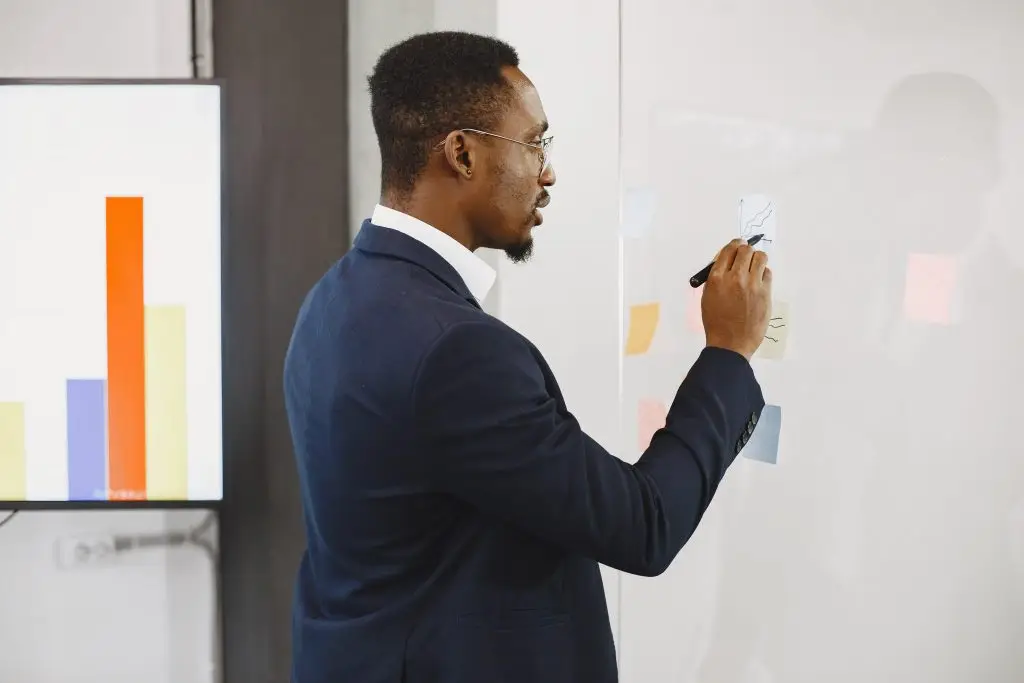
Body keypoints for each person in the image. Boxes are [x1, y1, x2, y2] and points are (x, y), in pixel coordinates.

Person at [283, 30, 772, 683]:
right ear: (461, 153)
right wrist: (727, 353)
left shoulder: (334, 298)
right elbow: (644, 523)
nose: (548, 172)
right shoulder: (458, 350)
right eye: (535, 143)